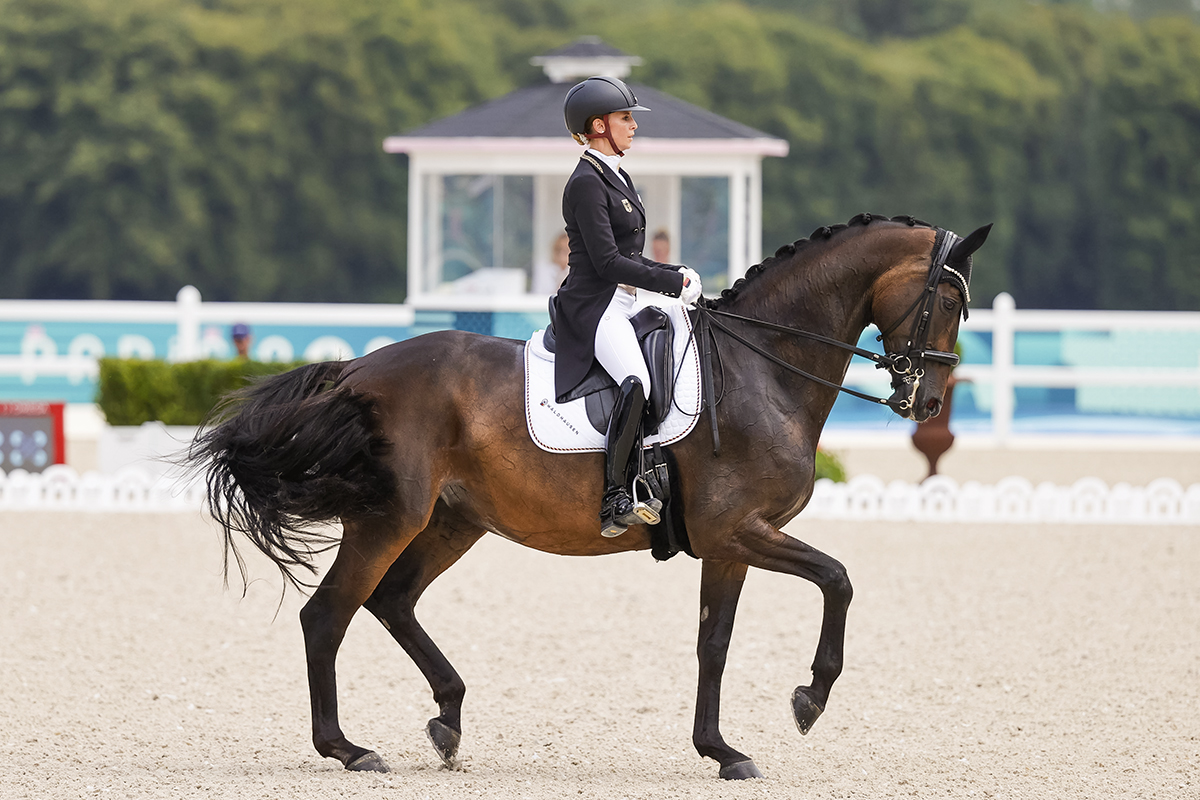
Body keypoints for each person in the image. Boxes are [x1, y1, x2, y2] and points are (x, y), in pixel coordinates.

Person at [554, 75, 703, 538]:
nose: (634, 126)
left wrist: (674, 271)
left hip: (622, 300)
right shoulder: (585, 183)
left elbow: (630, 256)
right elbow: (607, 262)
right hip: (594, 306)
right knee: (635, 381)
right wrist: (671, 282)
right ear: (599, 125)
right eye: (625, 118)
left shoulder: (615, 174)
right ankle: (615, 497)